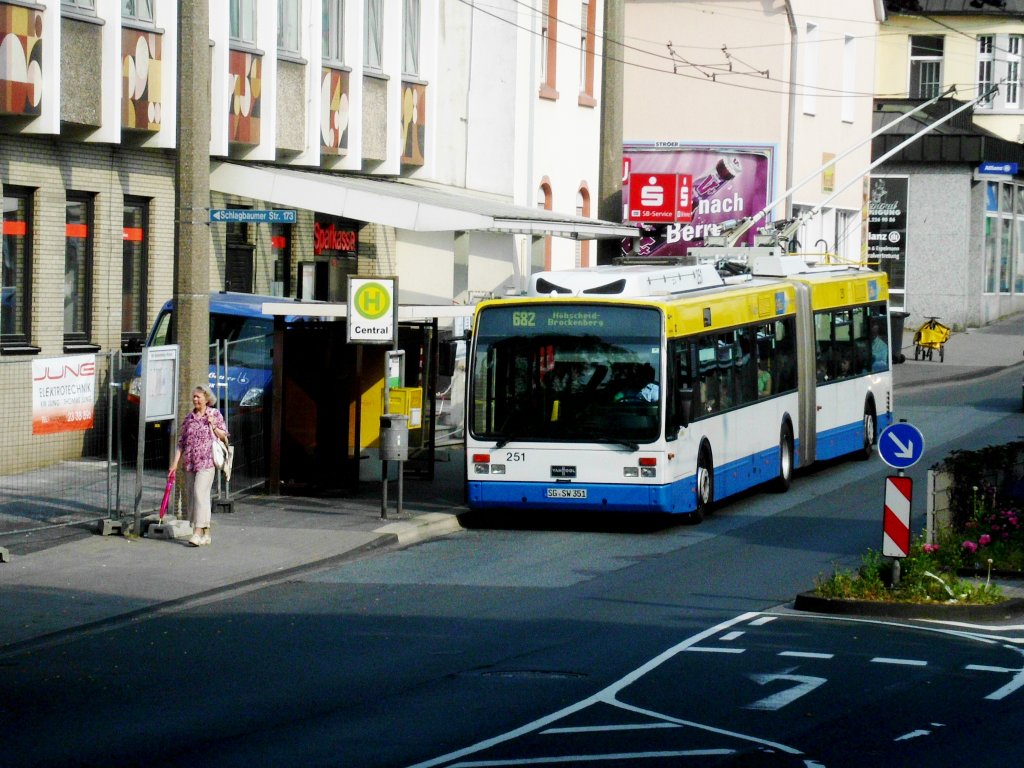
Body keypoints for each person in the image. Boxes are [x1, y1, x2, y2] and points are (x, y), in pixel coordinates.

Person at [169, 384, 228, 547]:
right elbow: (181, 443)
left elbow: (224, 436)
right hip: (190, 463)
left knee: (199, 493)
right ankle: (206, 532)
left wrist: (213, 425)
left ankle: (196, 532)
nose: (195, 399)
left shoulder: (214, 414)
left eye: (198, 397)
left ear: (207, 399)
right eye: (194, 397)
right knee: (195, 497)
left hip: (207, 462)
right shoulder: (189, 419)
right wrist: (174, 464)